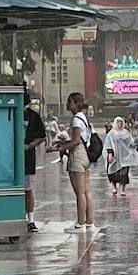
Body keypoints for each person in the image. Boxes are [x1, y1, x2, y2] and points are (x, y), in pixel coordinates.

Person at [46, 91, 94, 232]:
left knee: (79, 192)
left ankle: (80, 223)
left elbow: (76, 141)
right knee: (86, 191)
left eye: (69, 101)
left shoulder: (75, 119)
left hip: (77, 155)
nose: (67, 104)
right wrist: (61, 143)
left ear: (76, 103)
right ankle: (89, 221)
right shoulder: (83, 117)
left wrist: (59, 148)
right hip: (85, 155)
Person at [104, 116, 138, 197]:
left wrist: (134, 144)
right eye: (118, 122)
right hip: (115, 156)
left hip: (125, 156)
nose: (120, 123)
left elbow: (130, 142)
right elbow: (108, 144)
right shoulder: (111, 133)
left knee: (124, 173)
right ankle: (114, 187)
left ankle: (122, 189)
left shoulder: (126, 132)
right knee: (113, 172)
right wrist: (110, 154)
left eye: (121, 122)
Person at [23, 91, 47, 232]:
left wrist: (29, 146)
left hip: (28, 158)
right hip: (9, 158)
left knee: (28, 189)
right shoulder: (7, 113)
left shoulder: (33, 116)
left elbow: (42, 136)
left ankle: (30, 219)